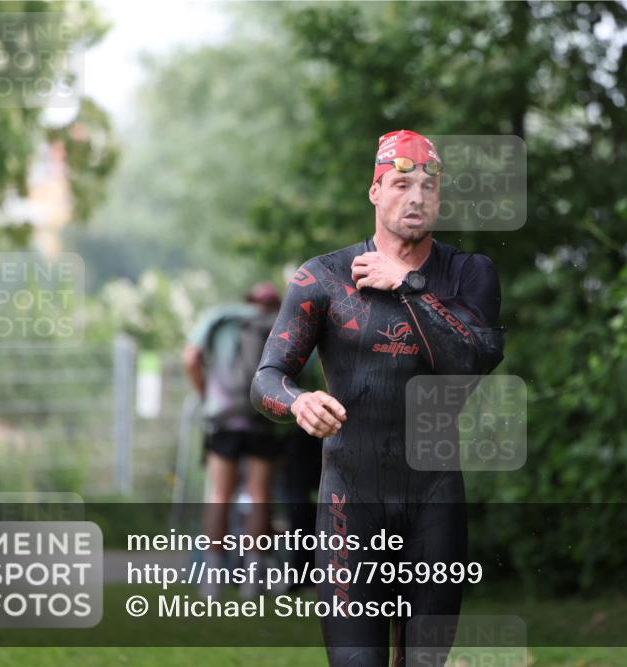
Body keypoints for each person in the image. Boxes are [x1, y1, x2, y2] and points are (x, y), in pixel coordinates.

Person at [251, 129, 505, 666]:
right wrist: (299, 402)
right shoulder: (324, 277)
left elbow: (473, 360)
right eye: (401, 184)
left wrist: (407, 285)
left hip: (434, 499)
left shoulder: (469, 274)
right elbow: (267, 378)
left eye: (429, 187)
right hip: (349, 501)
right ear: (375, 191)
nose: (416, 197)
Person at [184, 281, 284, 600]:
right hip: (263, 419)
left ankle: (212, 580)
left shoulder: (221, 318)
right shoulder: (281, 324)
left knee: (219, 496)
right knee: (260, 496)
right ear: (274, 303)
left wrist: (205, 393)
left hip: (222, 418)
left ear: (248, 299)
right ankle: (252, 581)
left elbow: (190, 358)